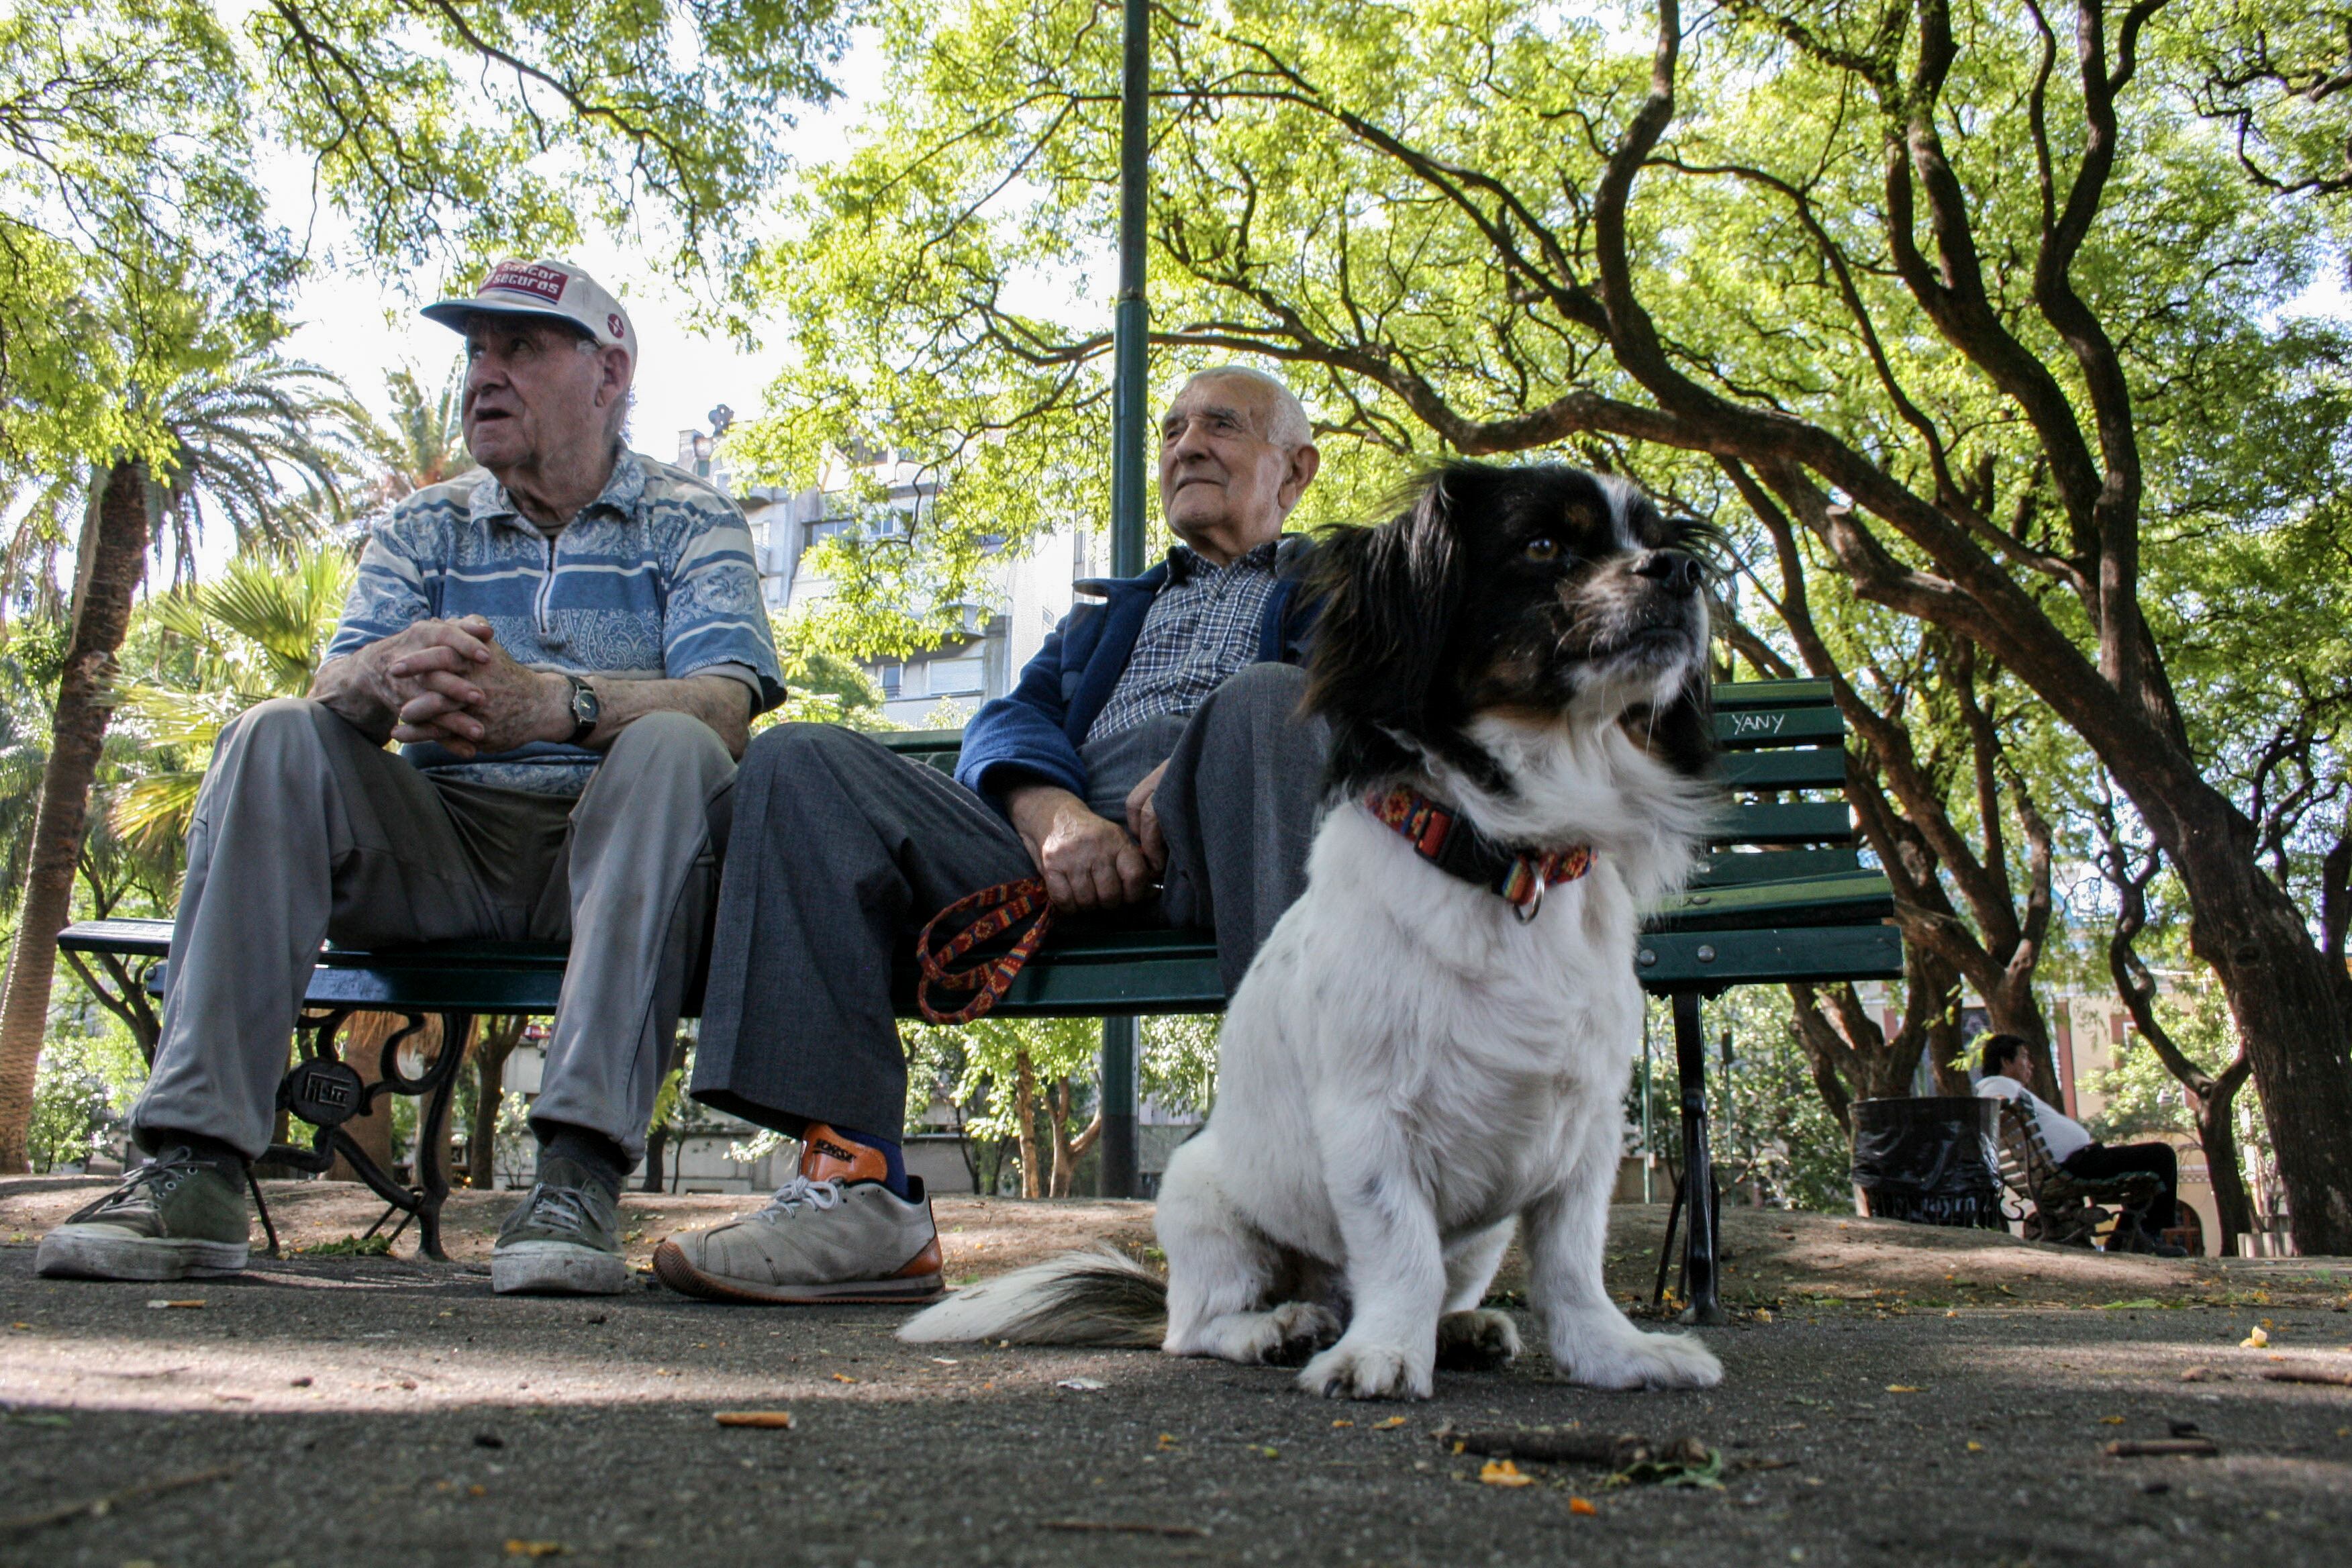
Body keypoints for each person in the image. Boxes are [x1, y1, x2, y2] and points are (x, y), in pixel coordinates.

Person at [36, 258, 783, 1296]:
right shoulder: (427, 525)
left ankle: (576, 1176)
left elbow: (725, 704)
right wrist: (384, 674)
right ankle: (194, 1167)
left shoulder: (690, 519)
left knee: (674, 747)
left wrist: (553, 703)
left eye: (520, 348)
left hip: (614, 851)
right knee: (275, 734)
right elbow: (336, 675)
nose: (484, 373)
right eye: (476, 349)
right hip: (439, 847)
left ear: (609, 373)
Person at [655, 366, 1326, 1304]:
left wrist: (1202, 758)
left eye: (1220, 424)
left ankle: (1312, 1193)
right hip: (1055, 852)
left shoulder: (1350, 582)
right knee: (800, 760)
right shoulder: (1105, 617)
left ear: (1294, 472)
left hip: (1233, 837)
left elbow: (1385, 704)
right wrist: (1055, 819)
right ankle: (859, 1198)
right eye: (1171, 429)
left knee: (1265, 707)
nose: (1185, 446)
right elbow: (1008, 724)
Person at [1974, 1033, 2188, 1257]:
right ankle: (2148, 1235)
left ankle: (2127, 1237)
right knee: (2161, 1156)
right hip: (2076, 1164)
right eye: (2024, 1058)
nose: (2031, 1065)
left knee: (2146, 1170)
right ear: (2006, 1062)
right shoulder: (1999, 1087)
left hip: (2074, 1162)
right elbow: (1994, 1100)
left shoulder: (2008, 1088)